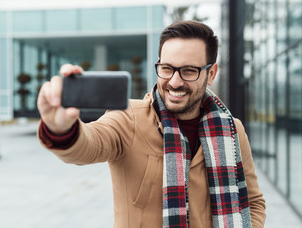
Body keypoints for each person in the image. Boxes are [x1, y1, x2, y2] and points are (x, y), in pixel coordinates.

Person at [37, 20, 266, 228]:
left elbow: (253, 203)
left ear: (211, 73)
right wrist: (61, 128)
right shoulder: (127, 118)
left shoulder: (232, 129)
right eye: (167, 68)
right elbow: (88, 145)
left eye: (189, 71)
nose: (175, 82)